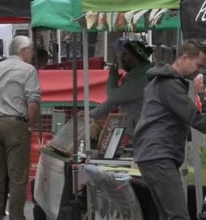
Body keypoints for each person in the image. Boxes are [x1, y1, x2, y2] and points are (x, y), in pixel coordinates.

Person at [133, 39, 206, 220]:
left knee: (167, 214)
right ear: (184, 58)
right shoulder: (169, 84)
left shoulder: (162, 81)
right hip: (159, 154)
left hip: (152, 154)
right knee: (177, 216)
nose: (200, 71)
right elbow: (193, 117)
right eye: (199, 65)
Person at [0, 35, 41, 220]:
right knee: (17, 176)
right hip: (15, 123)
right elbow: (33, 101)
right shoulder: (28, 70)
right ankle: (16, 216)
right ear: (24, 51)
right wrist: (30, 124)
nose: (32, 54)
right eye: (31, 50)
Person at [88, 39, 154, 137]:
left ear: (135, 58)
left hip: (142, 133)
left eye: (125, 55)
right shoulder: (135, 75)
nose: (121, 58)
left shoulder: (143, 78)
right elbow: (113, 102)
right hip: (137, 131)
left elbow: (114, 97)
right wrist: (89, 115)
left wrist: (113, 78)